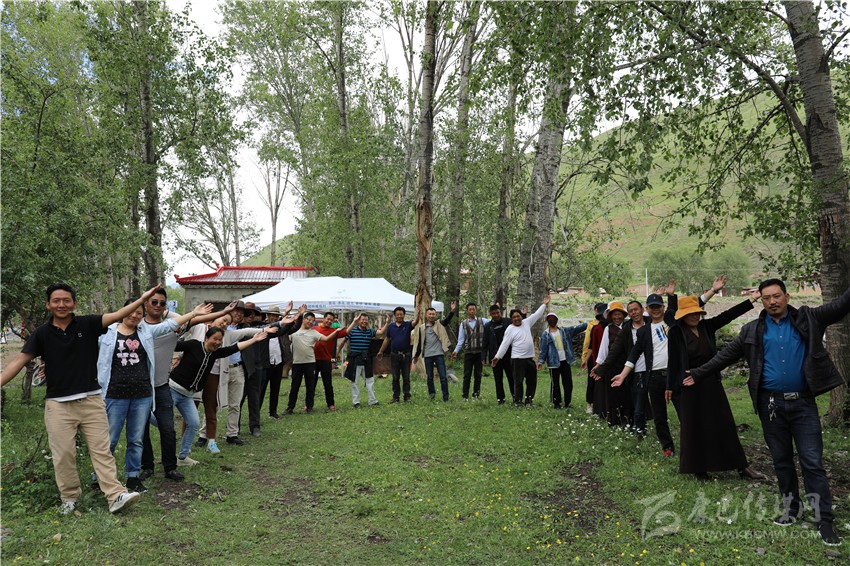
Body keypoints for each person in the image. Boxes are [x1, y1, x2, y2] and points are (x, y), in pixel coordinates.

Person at [689, 279, 850, 546]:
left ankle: (824, 520)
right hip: (771, 406)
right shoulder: (752, 330)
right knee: (781, 460)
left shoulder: (809, 318)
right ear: (761, 301)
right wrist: (697, 373)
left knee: (812, 462)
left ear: (787, 296)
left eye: (777, 296)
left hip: (803, 405)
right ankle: (792, 509)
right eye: (767, 298)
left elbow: (841, 306)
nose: (772, 301)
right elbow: (725, 356)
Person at [0, 283, 171, 515]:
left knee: (102, 451)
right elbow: (18, 361)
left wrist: (142, 299)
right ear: (48, 304)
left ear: (74, 303)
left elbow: (118, 315)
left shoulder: (88, 324)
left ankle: (115, 495)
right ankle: (70, 498)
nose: (61, 304)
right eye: (56, 301)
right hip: (58, 405)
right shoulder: (41, 334)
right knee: (63, 454)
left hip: (91, 400)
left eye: (66, 300)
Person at [96, 298, 211, 492]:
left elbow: (170, 325)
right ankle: (100, 478)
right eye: (131, 311)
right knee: (110, 439)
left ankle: (133, 477)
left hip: (142, 395)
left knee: (136, 439)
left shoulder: (146, 332)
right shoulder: (106, 333)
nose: (134, 315)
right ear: (123, 311)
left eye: (139, 313)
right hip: (115, 395)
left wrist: (193, 314)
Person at [667, 292, 765, 481]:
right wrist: (670, 386)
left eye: (696, 312)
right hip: (689, 384)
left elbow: (729, 315)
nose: (694, 316)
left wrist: (751, 300)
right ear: (683, 315)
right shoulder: (676, 332)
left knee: (724, 423)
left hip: (710, 380)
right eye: (690, 313)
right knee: (694, 426)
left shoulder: (707, 326)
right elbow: (673, 361)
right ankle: (699, 470)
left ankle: (742, 467)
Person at [140, 289, 229, 481]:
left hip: (162, 385)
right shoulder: (138, 327)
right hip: (141, 385)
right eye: (154, 302)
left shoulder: (170, 328)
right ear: (145, 304)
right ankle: (146, 466)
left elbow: (193, 322)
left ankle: (171, 466)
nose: (158, 306)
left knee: (168, 428)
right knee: (142, 429)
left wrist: (221, 313)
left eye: (162, 303)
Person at [170, 327, 271, 464]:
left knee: (193, 423)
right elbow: (173, 344)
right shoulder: (193, 345)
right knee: (162, 421)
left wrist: (254, 340)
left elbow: (234, 348)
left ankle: (182, 457)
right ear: (206, 338)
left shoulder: (214, 354)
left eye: (220, 340)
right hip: (174, 389)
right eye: (215, 339)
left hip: (188, 395)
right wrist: (174, 333)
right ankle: (148, 419)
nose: (217, 342)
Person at [611, 285, 680, 456]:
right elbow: (634, 354)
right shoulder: (643, 331)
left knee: (683, 411)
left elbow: (679, 308)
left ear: (663, 308)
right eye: (652, 307)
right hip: (654, 377)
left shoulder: (671, 321)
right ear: (647, 309)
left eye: (658, 306)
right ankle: (667, 448)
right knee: (659, 415)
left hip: (674, 374)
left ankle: (689, 446)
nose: (656, 310)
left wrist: (671, 295)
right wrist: (623, 375)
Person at [283, 311, 349, 415]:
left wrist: (336, 331)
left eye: (312, 321)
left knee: (310, 386)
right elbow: (284, 333)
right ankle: (290, 408)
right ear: (303, 320)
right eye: (309, 319)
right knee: (294, 386)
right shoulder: (294, 332)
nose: (310, 322)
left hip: (310, 363)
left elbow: (326, 339)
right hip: (297, 363)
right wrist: (287, 313)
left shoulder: (314, 332)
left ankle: (309, 407)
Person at [491, 295, 551, 406]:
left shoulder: (526, 322)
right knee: (518, 382)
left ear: (521, 317)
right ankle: (518, 401)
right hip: (517, 360)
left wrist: (544, 304)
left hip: (529, 358)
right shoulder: (510, 329)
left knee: (532, 381)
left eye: (518, 316)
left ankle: (529, 401)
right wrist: (497, 357)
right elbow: (504, 345)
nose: (517, 319)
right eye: (514, 317)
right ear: (511, 319)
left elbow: (537, 314)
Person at [537, 314, 587, 409]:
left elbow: (577, 328)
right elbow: (543, 349)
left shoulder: (564, 331)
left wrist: (589, 323)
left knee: (568, 383)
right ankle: (556, 403)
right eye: (550, 319)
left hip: (565, 361)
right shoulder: (545, 334)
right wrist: (540, 361)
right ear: (548, 321)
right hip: (553, 363)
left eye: (553, 318)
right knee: (555, 384)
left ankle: (568, 403)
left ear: (557, 320)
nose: (552, 320)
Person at [412, 304, 456, 401]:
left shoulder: (439, 324)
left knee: (443, 377)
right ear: (426, 315)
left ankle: (446, 397)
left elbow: (446, 320)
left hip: (439, 354)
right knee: (430, 377)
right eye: (430, 314)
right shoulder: (422, 328)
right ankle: (432, 396)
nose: (431, 316)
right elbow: (420, 343)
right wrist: (416, 356)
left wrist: (452, 311)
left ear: (435, 315)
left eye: (433, 314)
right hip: (428, 355)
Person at [593, 301, 628, 423]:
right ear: (610, 316)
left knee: (627, 393)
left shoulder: (628, 326)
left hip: (627, 366)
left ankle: (627, 418)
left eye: (619, 314)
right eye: (614, 315)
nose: (617, 317)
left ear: (623, 315)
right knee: (613, 394)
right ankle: (614, 419)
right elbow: (603, 349)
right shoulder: (608, 329)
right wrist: (599, 365)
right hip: (612, 365)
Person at [344, 313, 388, 407]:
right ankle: (356, 402)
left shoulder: (370, 331)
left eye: (366, 320)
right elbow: (344, 340)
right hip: (355, 360)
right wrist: (337, 353)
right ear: (359, 321)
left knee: (370, 381)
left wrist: (387, 323)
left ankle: (372, 401)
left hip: (366, 360)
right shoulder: (352, 331)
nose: (364, 321)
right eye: (362, 319)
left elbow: (380, 333)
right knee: (355, 382)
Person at [311, 312, 348, 412]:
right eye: (328, 319)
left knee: (328, 384)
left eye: (331, 320)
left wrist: (354, 321)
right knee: (311, 383)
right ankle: (308, 405)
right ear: (323, 319)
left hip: (326, 360)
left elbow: (346, 332)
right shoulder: (314, 329)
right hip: (313, 360)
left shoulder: (334, 331)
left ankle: (331, 404)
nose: (329, 321)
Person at [377, 307, 415, 403]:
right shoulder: (391, 327)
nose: (399, 316)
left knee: (406, 377)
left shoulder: (408, 325)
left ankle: (407, 396)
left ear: (404, 315)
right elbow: (387, 339)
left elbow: (416, 322)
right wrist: (381, 351)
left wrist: (418, 312)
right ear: (395, 315)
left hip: (406, 355)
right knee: (395, 377)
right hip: (394, 355)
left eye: (401, 314)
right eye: (397, 314)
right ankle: (396, 397)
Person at [452, 303, 489, 400]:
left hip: (479, 353)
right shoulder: (463, 324)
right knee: (467, 375)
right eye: (470, 309)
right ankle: (465, 396)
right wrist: (456, 351)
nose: (472, 311)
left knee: (478, 374)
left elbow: (493, 322)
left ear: (476, 310)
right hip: (468, 353)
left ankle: (476, 395)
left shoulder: (483, 321)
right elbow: (461, 340)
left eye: (473, 309)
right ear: (467, 311)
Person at [485, 304, 514, 405]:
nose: (496, 315)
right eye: (493, 313)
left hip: (508, 355)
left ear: (500, 312)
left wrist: (523, 314)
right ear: (490, 314)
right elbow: (485, 342)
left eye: (497, 313)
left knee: (511, 377)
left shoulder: (508, 322)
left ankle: (515, 397)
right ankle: (500, 399)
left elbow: (519, 323)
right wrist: (483, 357)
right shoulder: (488, 326)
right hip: (495, 356)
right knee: (498, 379)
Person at [581, 303, 608, 414]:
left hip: (608, 360)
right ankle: (590, 404)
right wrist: (586, 359)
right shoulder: (595, 328)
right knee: (592, 382)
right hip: (595, 359)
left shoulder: (613, 328)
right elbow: (590, 345)